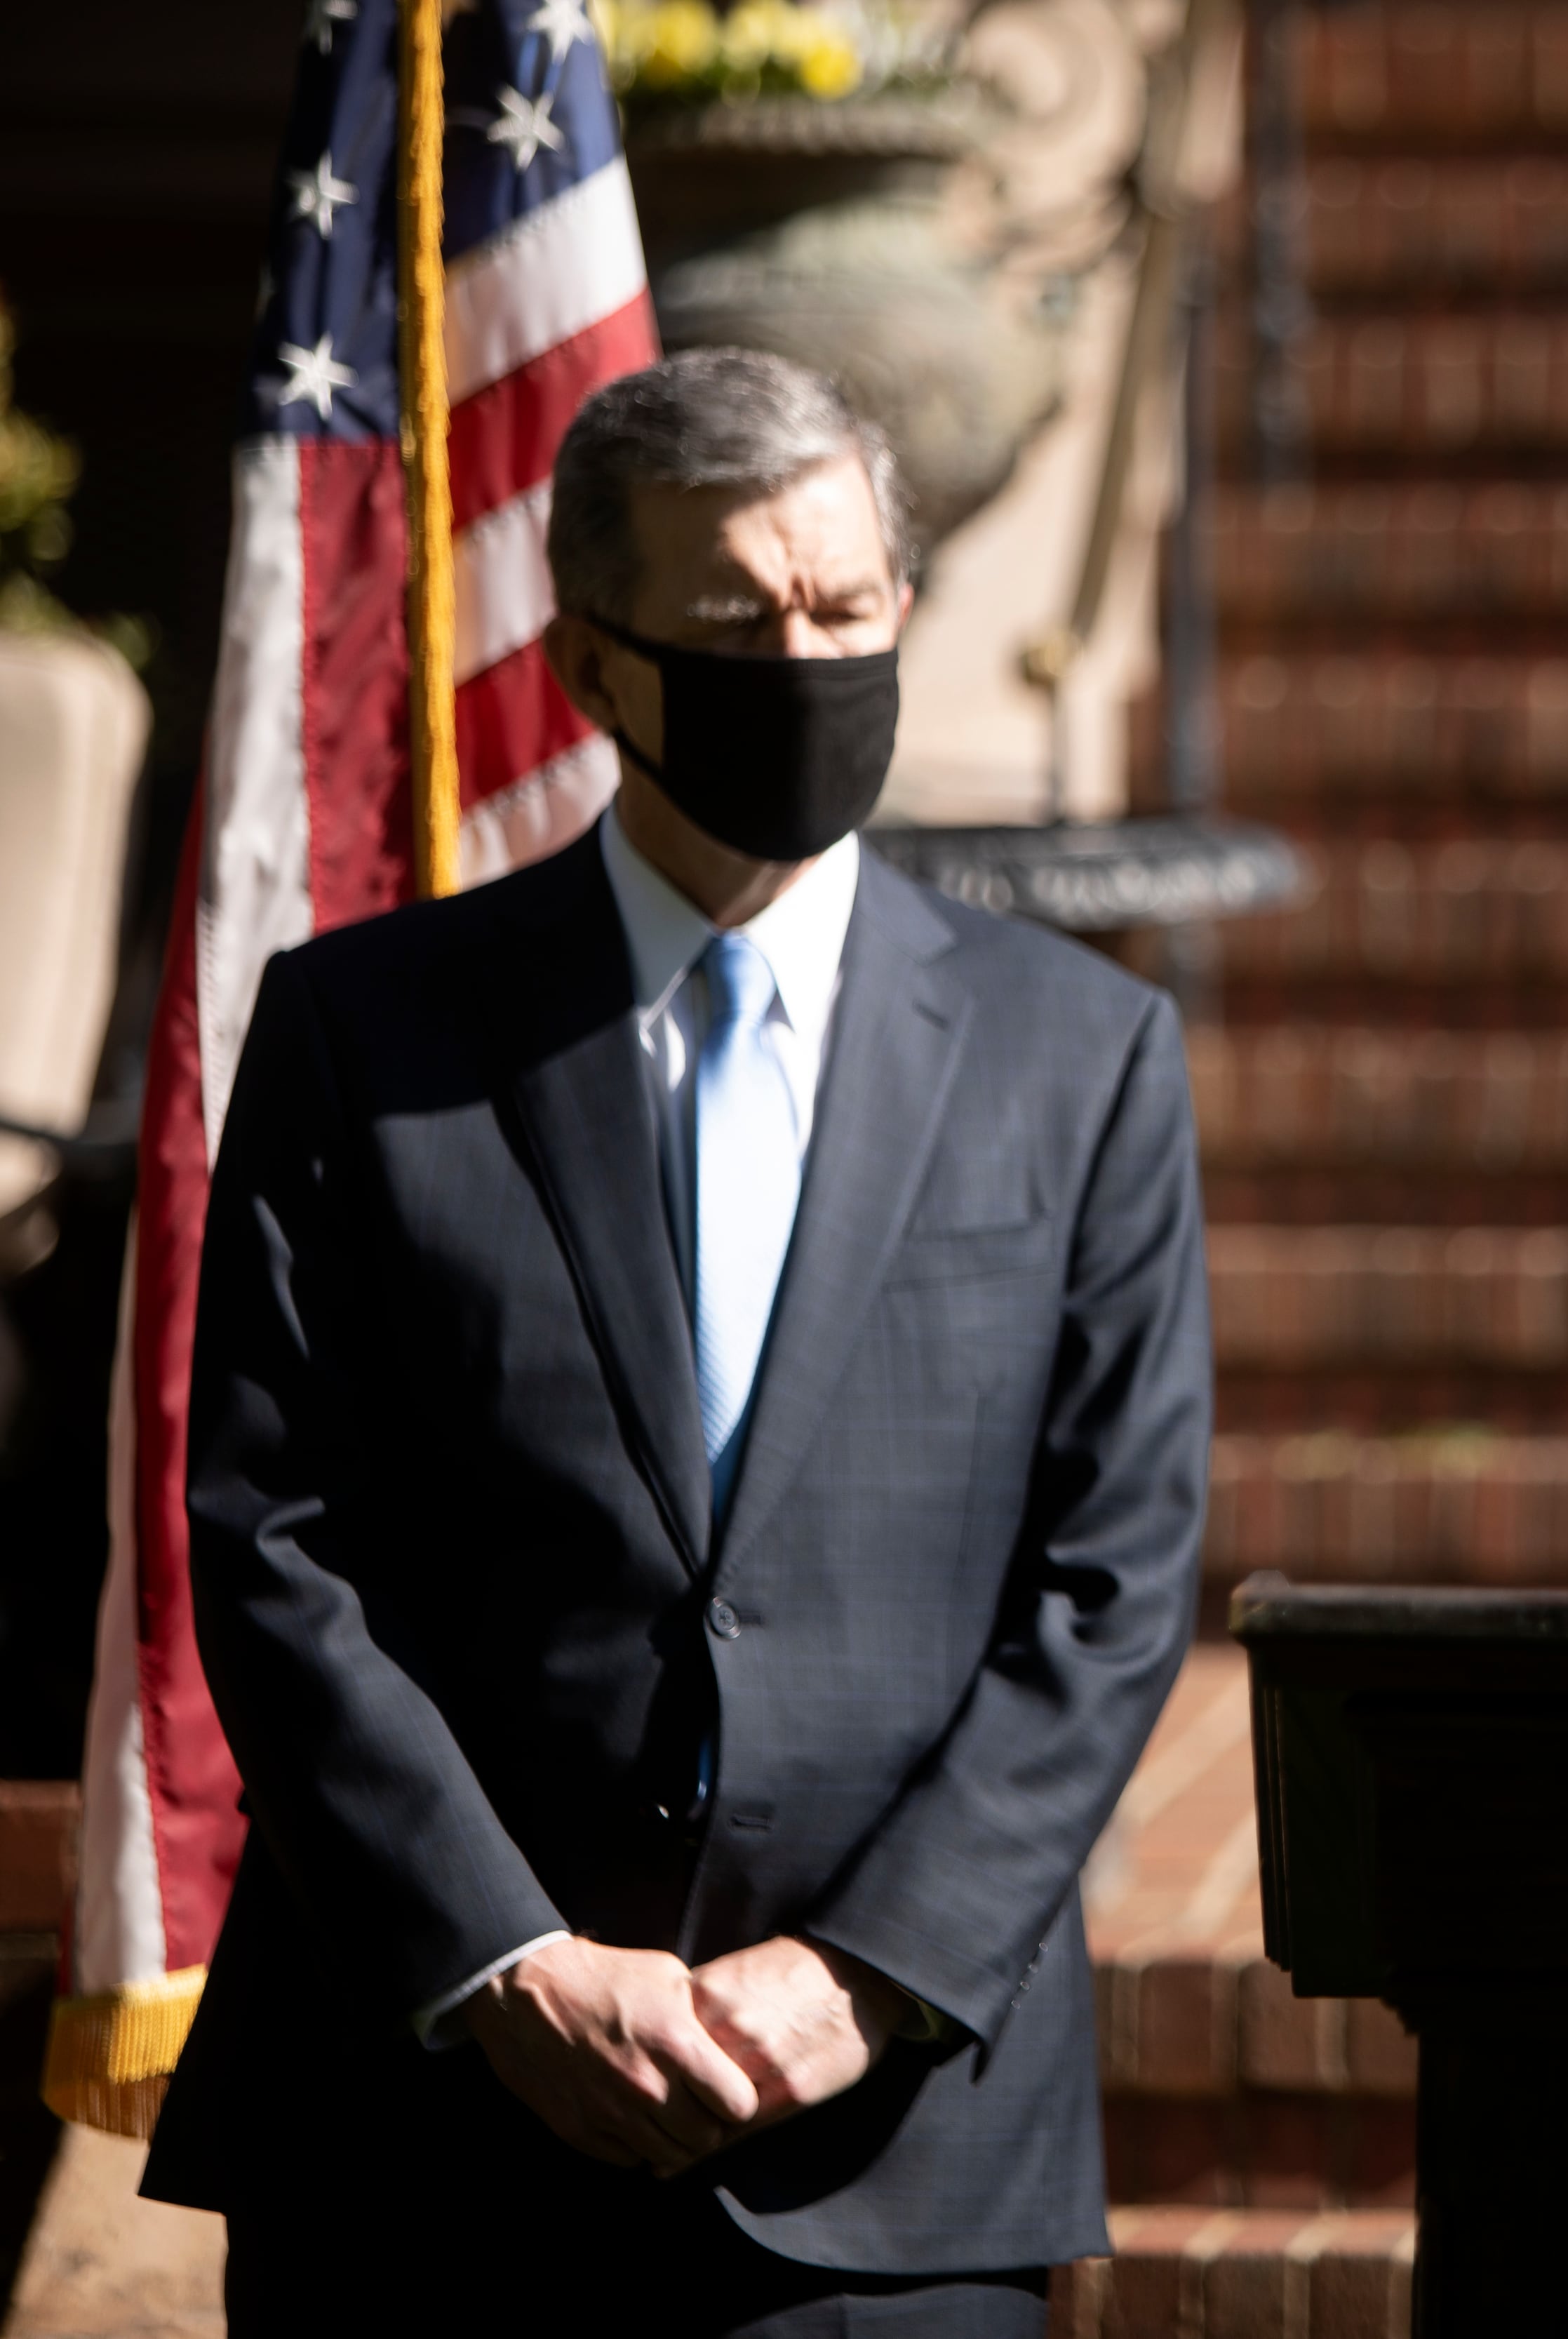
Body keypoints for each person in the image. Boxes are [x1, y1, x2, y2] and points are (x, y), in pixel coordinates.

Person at [143, 348, 1211, 2334]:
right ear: (596, 666)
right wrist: (511, 1962)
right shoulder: (368, 1036)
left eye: (845, 605)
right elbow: (274, 1538)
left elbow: (1115, 1576)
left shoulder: (1086, 1056)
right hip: (430, 2139)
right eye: (737, 619)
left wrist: (865, 1969)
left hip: (893, 2157)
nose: (804, 656)